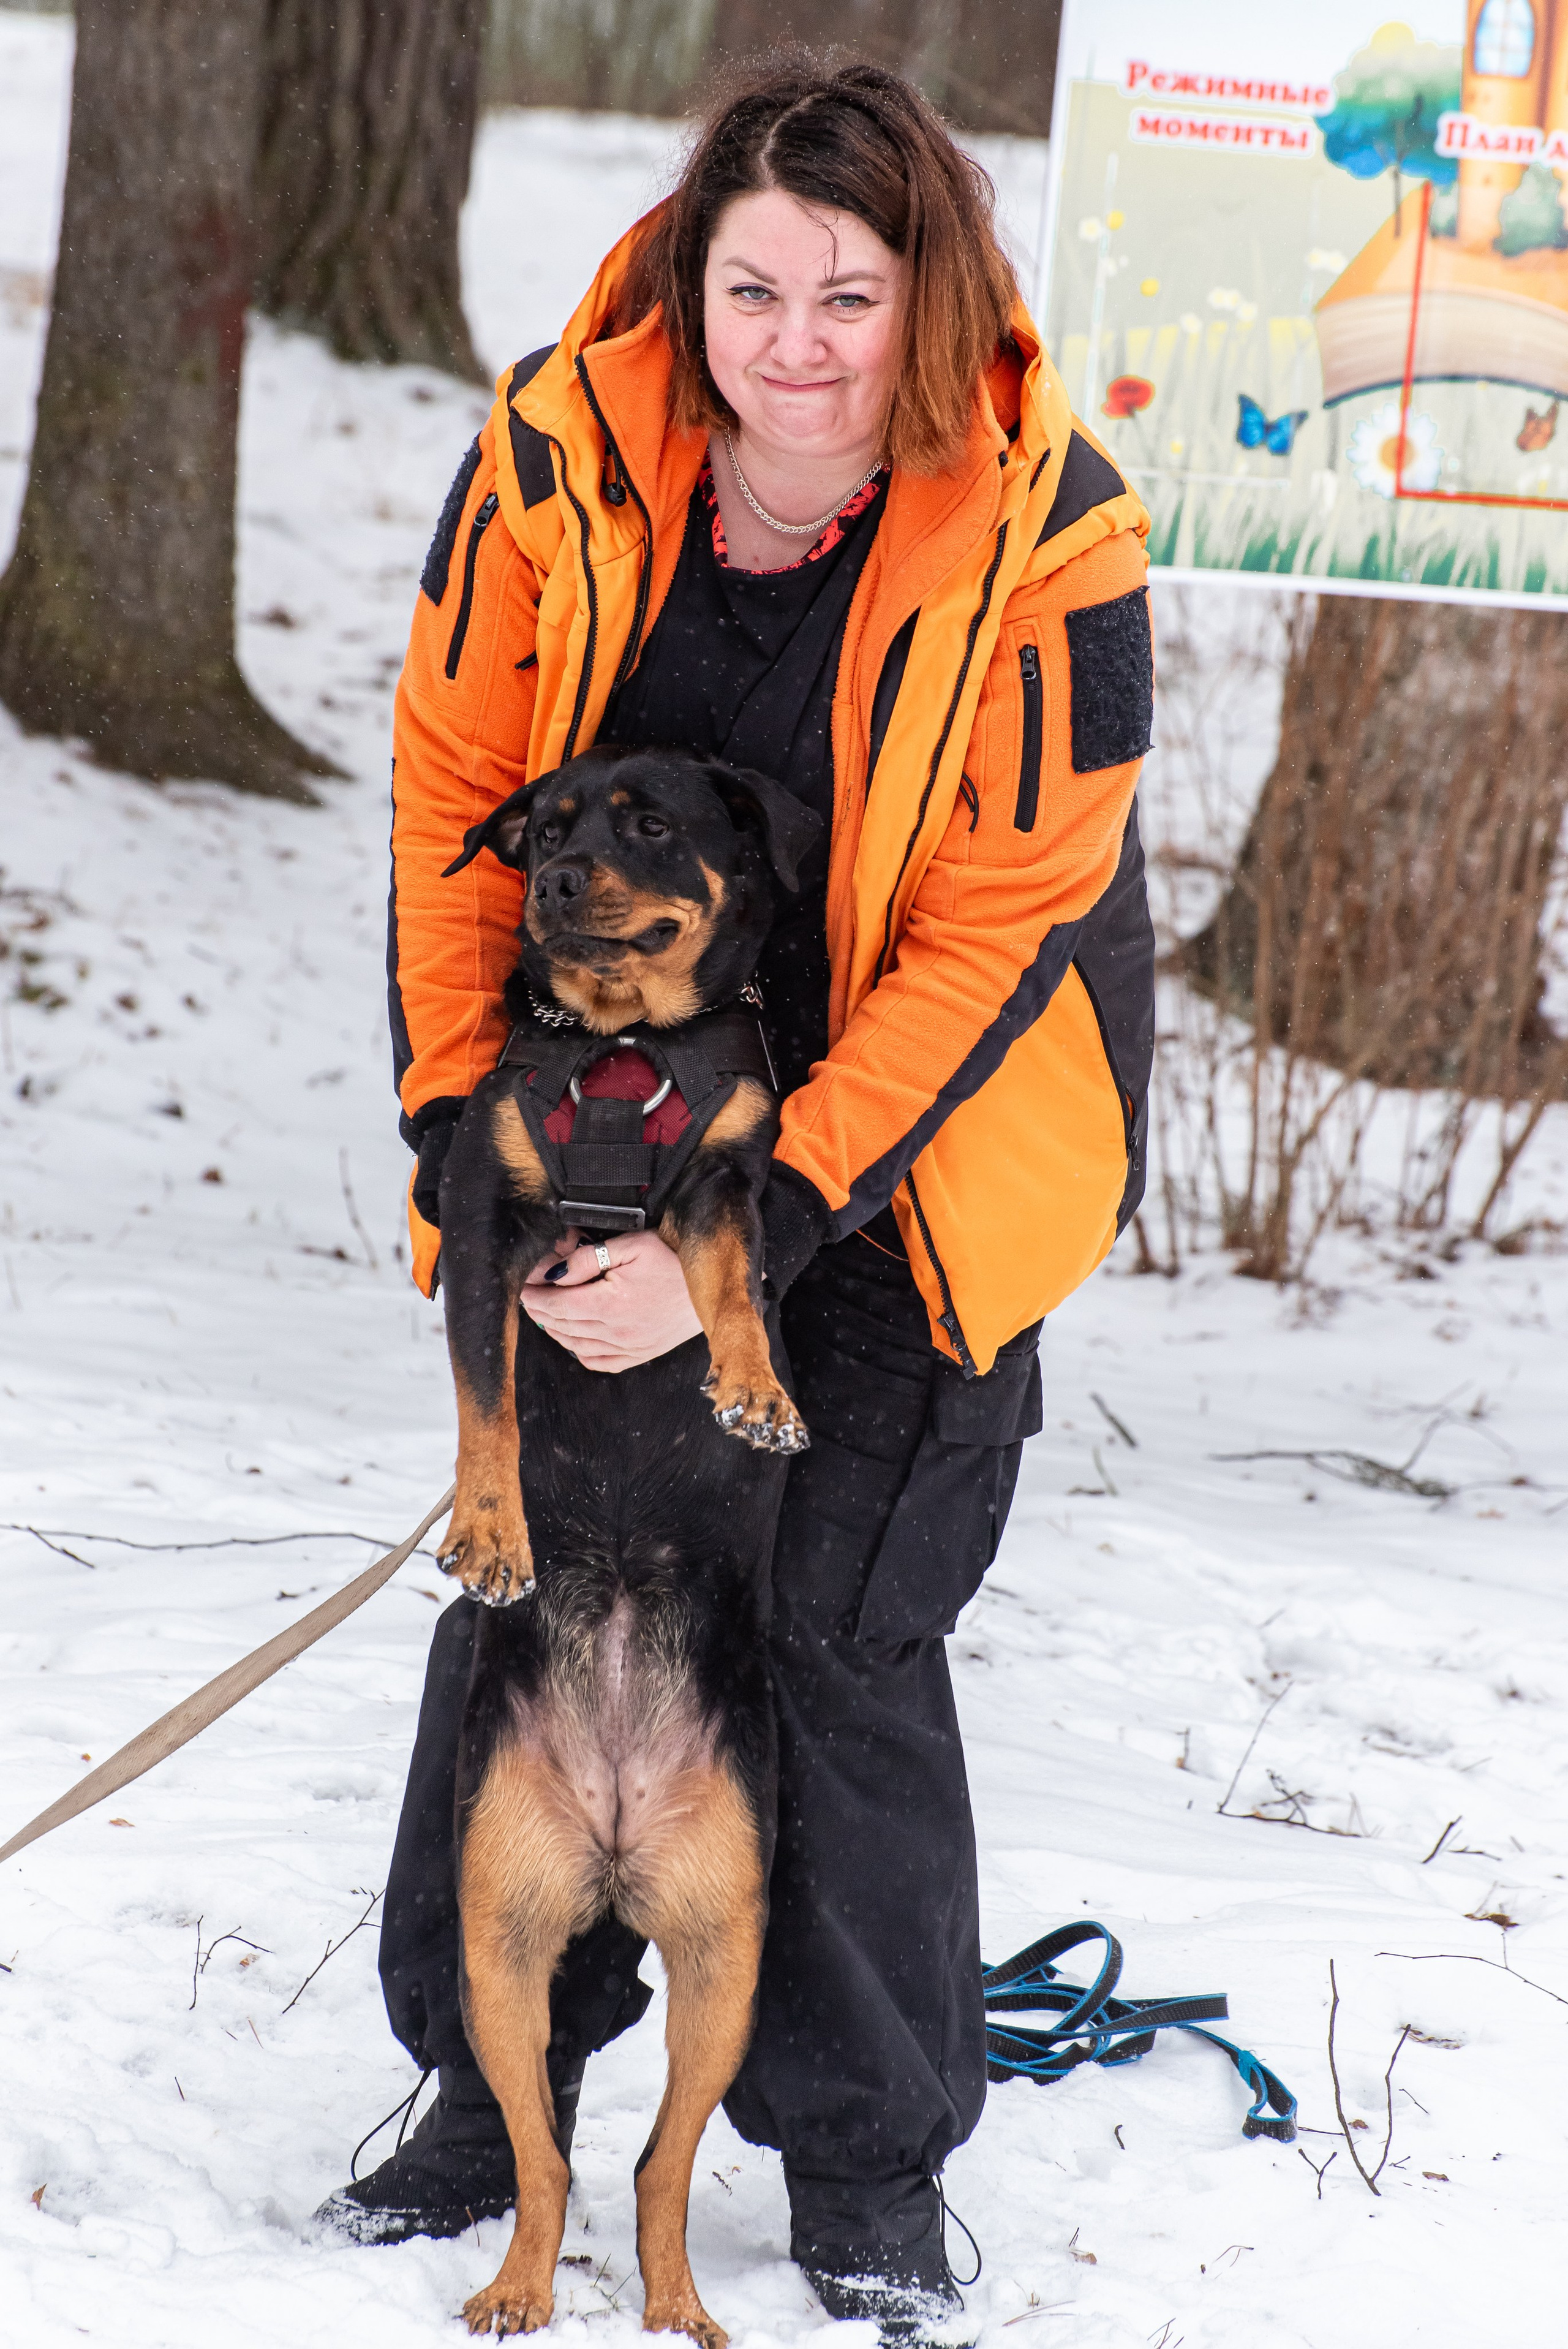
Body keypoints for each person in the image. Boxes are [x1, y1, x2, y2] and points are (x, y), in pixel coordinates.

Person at [318, 58, 1156, 2344]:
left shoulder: (1054, 525)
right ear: (690, 281)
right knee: (538, 1577)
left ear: (936, 297)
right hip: (596, 1089)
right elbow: (451, 785)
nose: (793, 342)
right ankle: (493, 2108)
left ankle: (870, 2164)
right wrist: (458, 1145)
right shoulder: (556, 451)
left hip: (932, 1129)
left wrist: (740, 1251)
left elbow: (1001, 930)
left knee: (840, 1620)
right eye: (750, 285)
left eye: (851, 295)